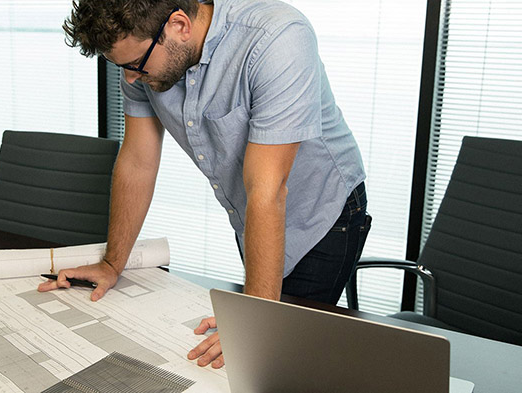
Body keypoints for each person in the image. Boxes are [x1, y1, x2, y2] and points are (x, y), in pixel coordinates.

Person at [38, 0, 371, 369]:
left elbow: (267, 189)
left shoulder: (277, 38)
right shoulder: (145, 55)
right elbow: (137, 161)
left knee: (277, 359)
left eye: (134, 65)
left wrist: (251, 323)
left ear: (179, 24)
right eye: (122, 67)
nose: (130, 78)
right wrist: (112, 264)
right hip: (255, 213)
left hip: (323, 214)